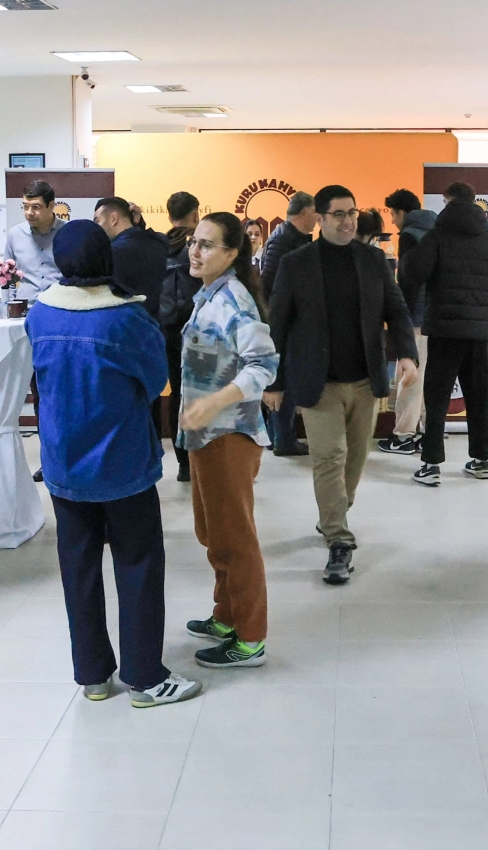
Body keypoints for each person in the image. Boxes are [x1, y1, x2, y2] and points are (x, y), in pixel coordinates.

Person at [27, 220, 202, 707]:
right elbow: (155, 379)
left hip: (64, 464)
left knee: (78, 567)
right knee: (138, 564)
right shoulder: (126, 319)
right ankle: (145, 677)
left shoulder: (41, 314)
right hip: (122, 463)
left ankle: (93, 675)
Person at [266, 186, 417, 585]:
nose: (348, 221)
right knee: (329, 458)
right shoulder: (297, 264)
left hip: (366, 379)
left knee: (355, 459)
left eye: (352, 213)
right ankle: (338, 539)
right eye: (339, 214)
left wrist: (406, 353)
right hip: (319, 382)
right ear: (319, 219)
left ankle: (333, 512)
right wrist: (274, 381)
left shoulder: (373, 260)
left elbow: (396, 308)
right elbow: (277, 324)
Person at [177, 212, 279, 669]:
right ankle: (227, 615)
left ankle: (250, 638)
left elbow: (264, 366)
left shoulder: (233, 301)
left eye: (207, 245)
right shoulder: (209, 295)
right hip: (205, 434)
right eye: (194, 242)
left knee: (235, 539)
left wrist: (215, 402)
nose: (195, 251)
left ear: (232, 254)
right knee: (212, 533)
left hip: (228, 435)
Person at [397, 181, 488, 486]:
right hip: (478, 334)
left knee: (437, 398)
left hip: (444, 331)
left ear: (448, 200)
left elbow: (413, 273)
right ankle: (481, 460)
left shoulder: (437, 237)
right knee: (479, 398)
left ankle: (431, 465)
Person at [379, 189, 437, 454]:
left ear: (402, 212)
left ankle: (403, 436)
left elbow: (409, 282)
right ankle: (425, 431)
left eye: (393, 214)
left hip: (416, 317)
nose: (392, 220)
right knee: (426, 378)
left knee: (409, 376)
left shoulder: (410, 236)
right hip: (435, 317)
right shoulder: (436, 231)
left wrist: (399, 317)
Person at [260, 191, 318, 457]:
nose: (317, 219)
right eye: (315, 213)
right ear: (304, 213)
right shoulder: (284, 240)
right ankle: (282, 438)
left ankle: (279, 435)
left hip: (289, 317)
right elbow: (271, 284)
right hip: (284, 319)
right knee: (284, 378)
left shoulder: (290, 238)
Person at [158, 191, 203, 481]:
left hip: (166, 328)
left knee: (176, 392)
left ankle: (183, 463)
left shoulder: (158, 246)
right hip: (198, 328)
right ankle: (201, 458)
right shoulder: (199, 246)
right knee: (201, 391)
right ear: (196, 214)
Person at [95, 195, 168, 320]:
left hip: (121, 325)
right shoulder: (160, 243)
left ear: (113, 219)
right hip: (155, 325)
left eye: (97, 221)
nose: (96, 228)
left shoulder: (109, 254)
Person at [3, 179, 67, 299]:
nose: (29, 213)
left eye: (36, 207)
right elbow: (8, 277)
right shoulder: (15, 234)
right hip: (25, 307)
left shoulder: (68, 232)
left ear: (51, 206)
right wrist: (11, 303)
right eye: (25, 207)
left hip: (59, 305)